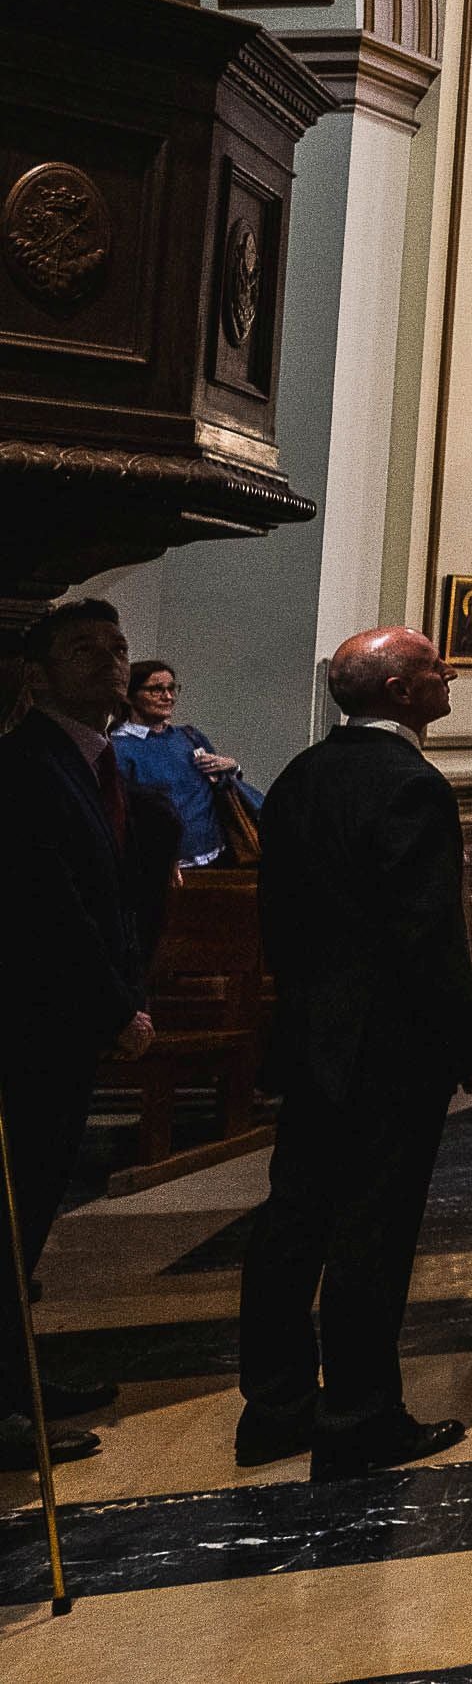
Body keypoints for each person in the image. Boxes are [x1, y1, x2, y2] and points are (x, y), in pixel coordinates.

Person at [236, 626, 472, 1480]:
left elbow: (277, 916)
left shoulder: (298, 776)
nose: (448, 674)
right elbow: (428, 937)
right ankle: (358, 1416)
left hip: (312, 1034)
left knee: (292, 1224)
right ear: (397, 691)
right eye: (433, 668)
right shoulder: (409, 785)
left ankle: (274, 1407)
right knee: (372, 1232)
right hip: (390, 1046)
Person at [0, 600, 158, 1468]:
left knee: (29, 1218)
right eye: (83, 649)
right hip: (31, 1030)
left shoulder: (94, 762)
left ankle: (17, 1378)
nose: (109, 661)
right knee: (10, 1216)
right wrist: (114, 1007)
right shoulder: (26, 766)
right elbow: (49, 906)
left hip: (61, 1030)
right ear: (36, 670)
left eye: (117, 646)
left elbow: (112, 897)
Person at [113, 659, 261, 868]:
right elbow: (124, 814)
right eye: (156, 690)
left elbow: (218, 785)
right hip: (164, 866)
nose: (168, 697)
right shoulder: (119, 748)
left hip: (216, 856)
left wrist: (231, 768)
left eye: (172, 688)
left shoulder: (188, 736)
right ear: (129, 697)